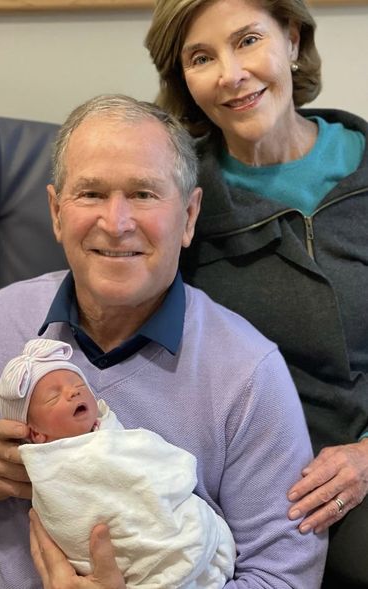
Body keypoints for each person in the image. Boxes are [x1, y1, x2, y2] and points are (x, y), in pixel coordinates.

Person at [0, 93, 327, 589]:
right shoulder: (3, 318)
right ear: (56, 211)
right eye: (90, 193)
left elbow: (285, 577)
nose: (116, 222)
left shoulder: (249, 374)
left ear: (190, 215)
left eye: (144, 194)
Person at [145, 1, 368, 587]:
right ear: (184, 81)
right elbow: (110, 326)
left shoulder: (363, 163)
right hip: (276, 486)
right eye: (201, 57)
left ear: (292, 40)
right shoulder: (174, 197)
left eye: (247, 40)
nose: (230, 74)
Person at [0, 337, 235, 588]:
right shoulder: (51, 470)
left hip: (176, 535)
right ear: (36, 435)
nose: (73, 391)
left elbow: (150, 459)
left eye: (78, 384)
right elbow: (69, 519)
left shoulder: (110, 431)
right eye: (53, 397)